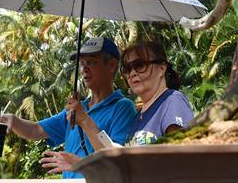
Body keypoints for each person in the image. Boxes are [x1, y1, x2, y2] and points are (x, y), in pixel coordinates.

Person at [0, 36, 136, 179]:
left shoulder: (123, 107)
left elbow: (117, 162)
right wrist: (12, 120)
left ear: (111, 65)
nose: (84, 69)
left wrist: (85, 121)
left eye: (91, 62)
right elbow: (35, 130)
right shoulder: (76, 110)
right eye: (82, 64)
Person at [40, 40, 195, 171]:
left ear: (162, 68)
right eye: (127, 69)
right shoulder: (140, 117)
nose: (132, 73)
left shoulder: (172, 100)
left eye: (140, 65)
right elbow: (122, 166)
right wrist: (81, 164)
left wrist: (86, 121)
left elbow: (183, 161)